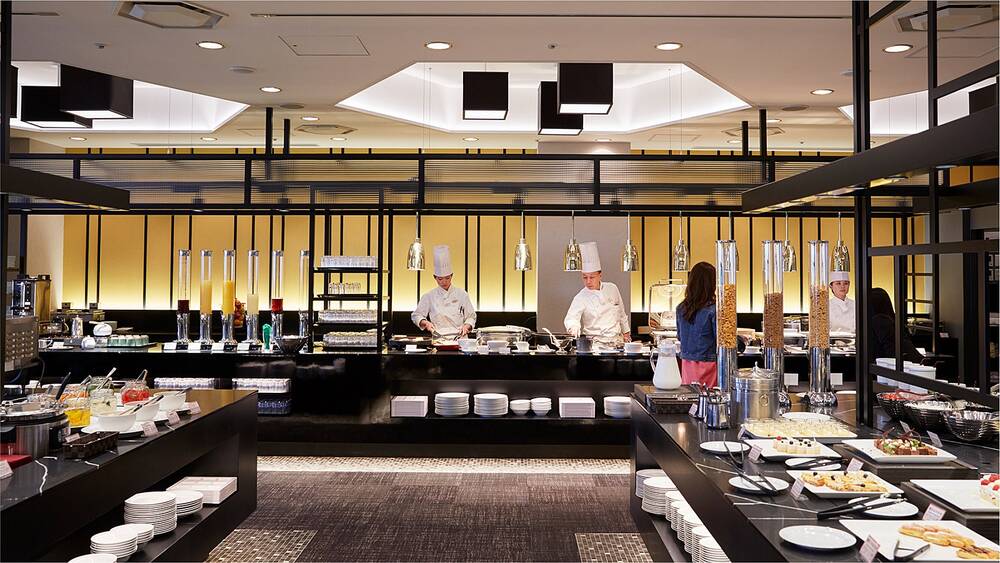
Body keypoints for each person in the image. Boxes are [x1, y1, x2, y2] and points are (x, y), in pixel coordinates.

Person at [563, 242, 631, 345]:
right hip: (595, 344)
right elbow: (571, 318)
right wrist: (573, 327)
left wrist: (626, 334)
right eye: (585, 277)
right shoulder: (580, 297)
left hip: (617, 342)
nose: (588, 281)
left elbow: (621, 313)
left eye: (592, 277)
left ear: (600, 275)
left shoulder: (612, 288)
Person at [411, 245, 476, 337]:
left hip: (460, 338)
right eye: (440, 279)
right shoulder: (429, 296)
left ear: (451, 276)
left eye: (447, 278)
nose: (444, 282)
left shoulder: (462, 294)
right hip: (439, 338)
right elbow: (416, 315)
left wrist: (466, 326)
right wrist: (426, 323)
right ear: (435, 277)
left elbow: (471, 316)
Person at [675, 262, 718, 387]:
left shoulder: (681, 308)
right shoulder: (714, 309)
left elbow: (680, 337)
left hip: (686, 364)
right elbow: (721, 340)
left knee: (690, 396)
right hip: (708, 365)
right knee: (708, 397)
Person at [869, 287, 924, 363]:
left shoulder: (880, 321)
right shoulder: (891, 319)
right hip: (911, 364)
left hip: (898, 365)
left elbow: (890, 353)